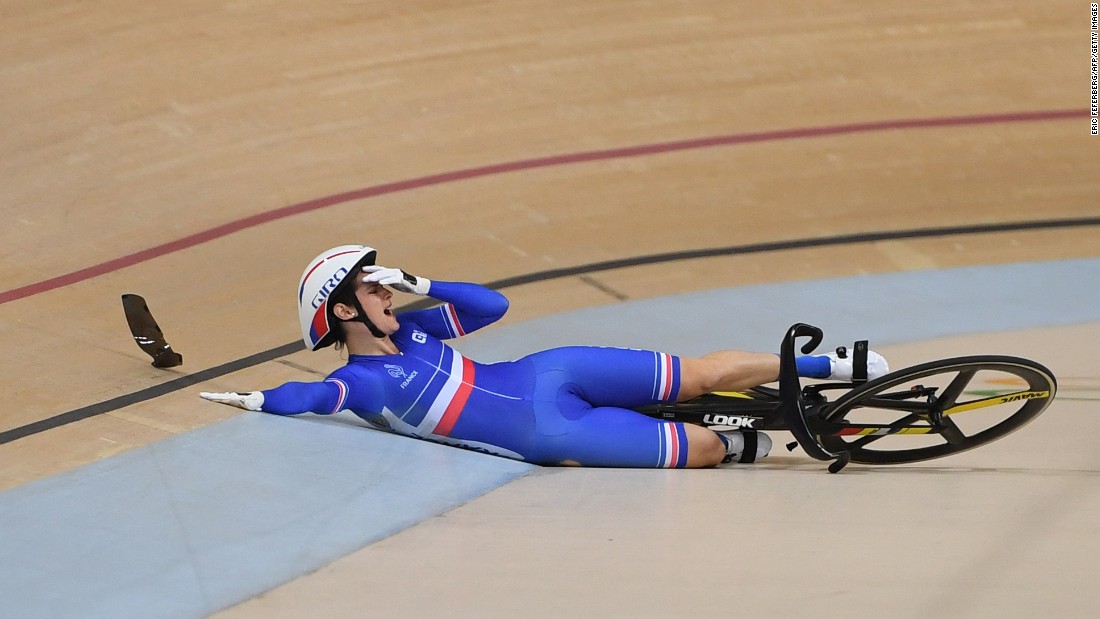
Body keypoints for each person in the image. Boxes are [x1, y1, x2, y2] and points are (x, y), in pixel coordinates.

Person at [200, 245, 888, 468]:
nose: (385, 290)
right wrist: (261, 399)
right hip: (549, 431)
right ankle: (752, 439)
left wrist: (423, 285)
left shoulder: (415, 331)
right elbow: (314, 397)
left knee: (701, 372)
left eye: (384, 282)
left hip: (553, 370)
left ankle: (831, 366)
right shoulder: (366, 379)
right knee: (707, 449)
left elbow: (490, 307)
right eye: (372, 286)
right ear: (343, 310)